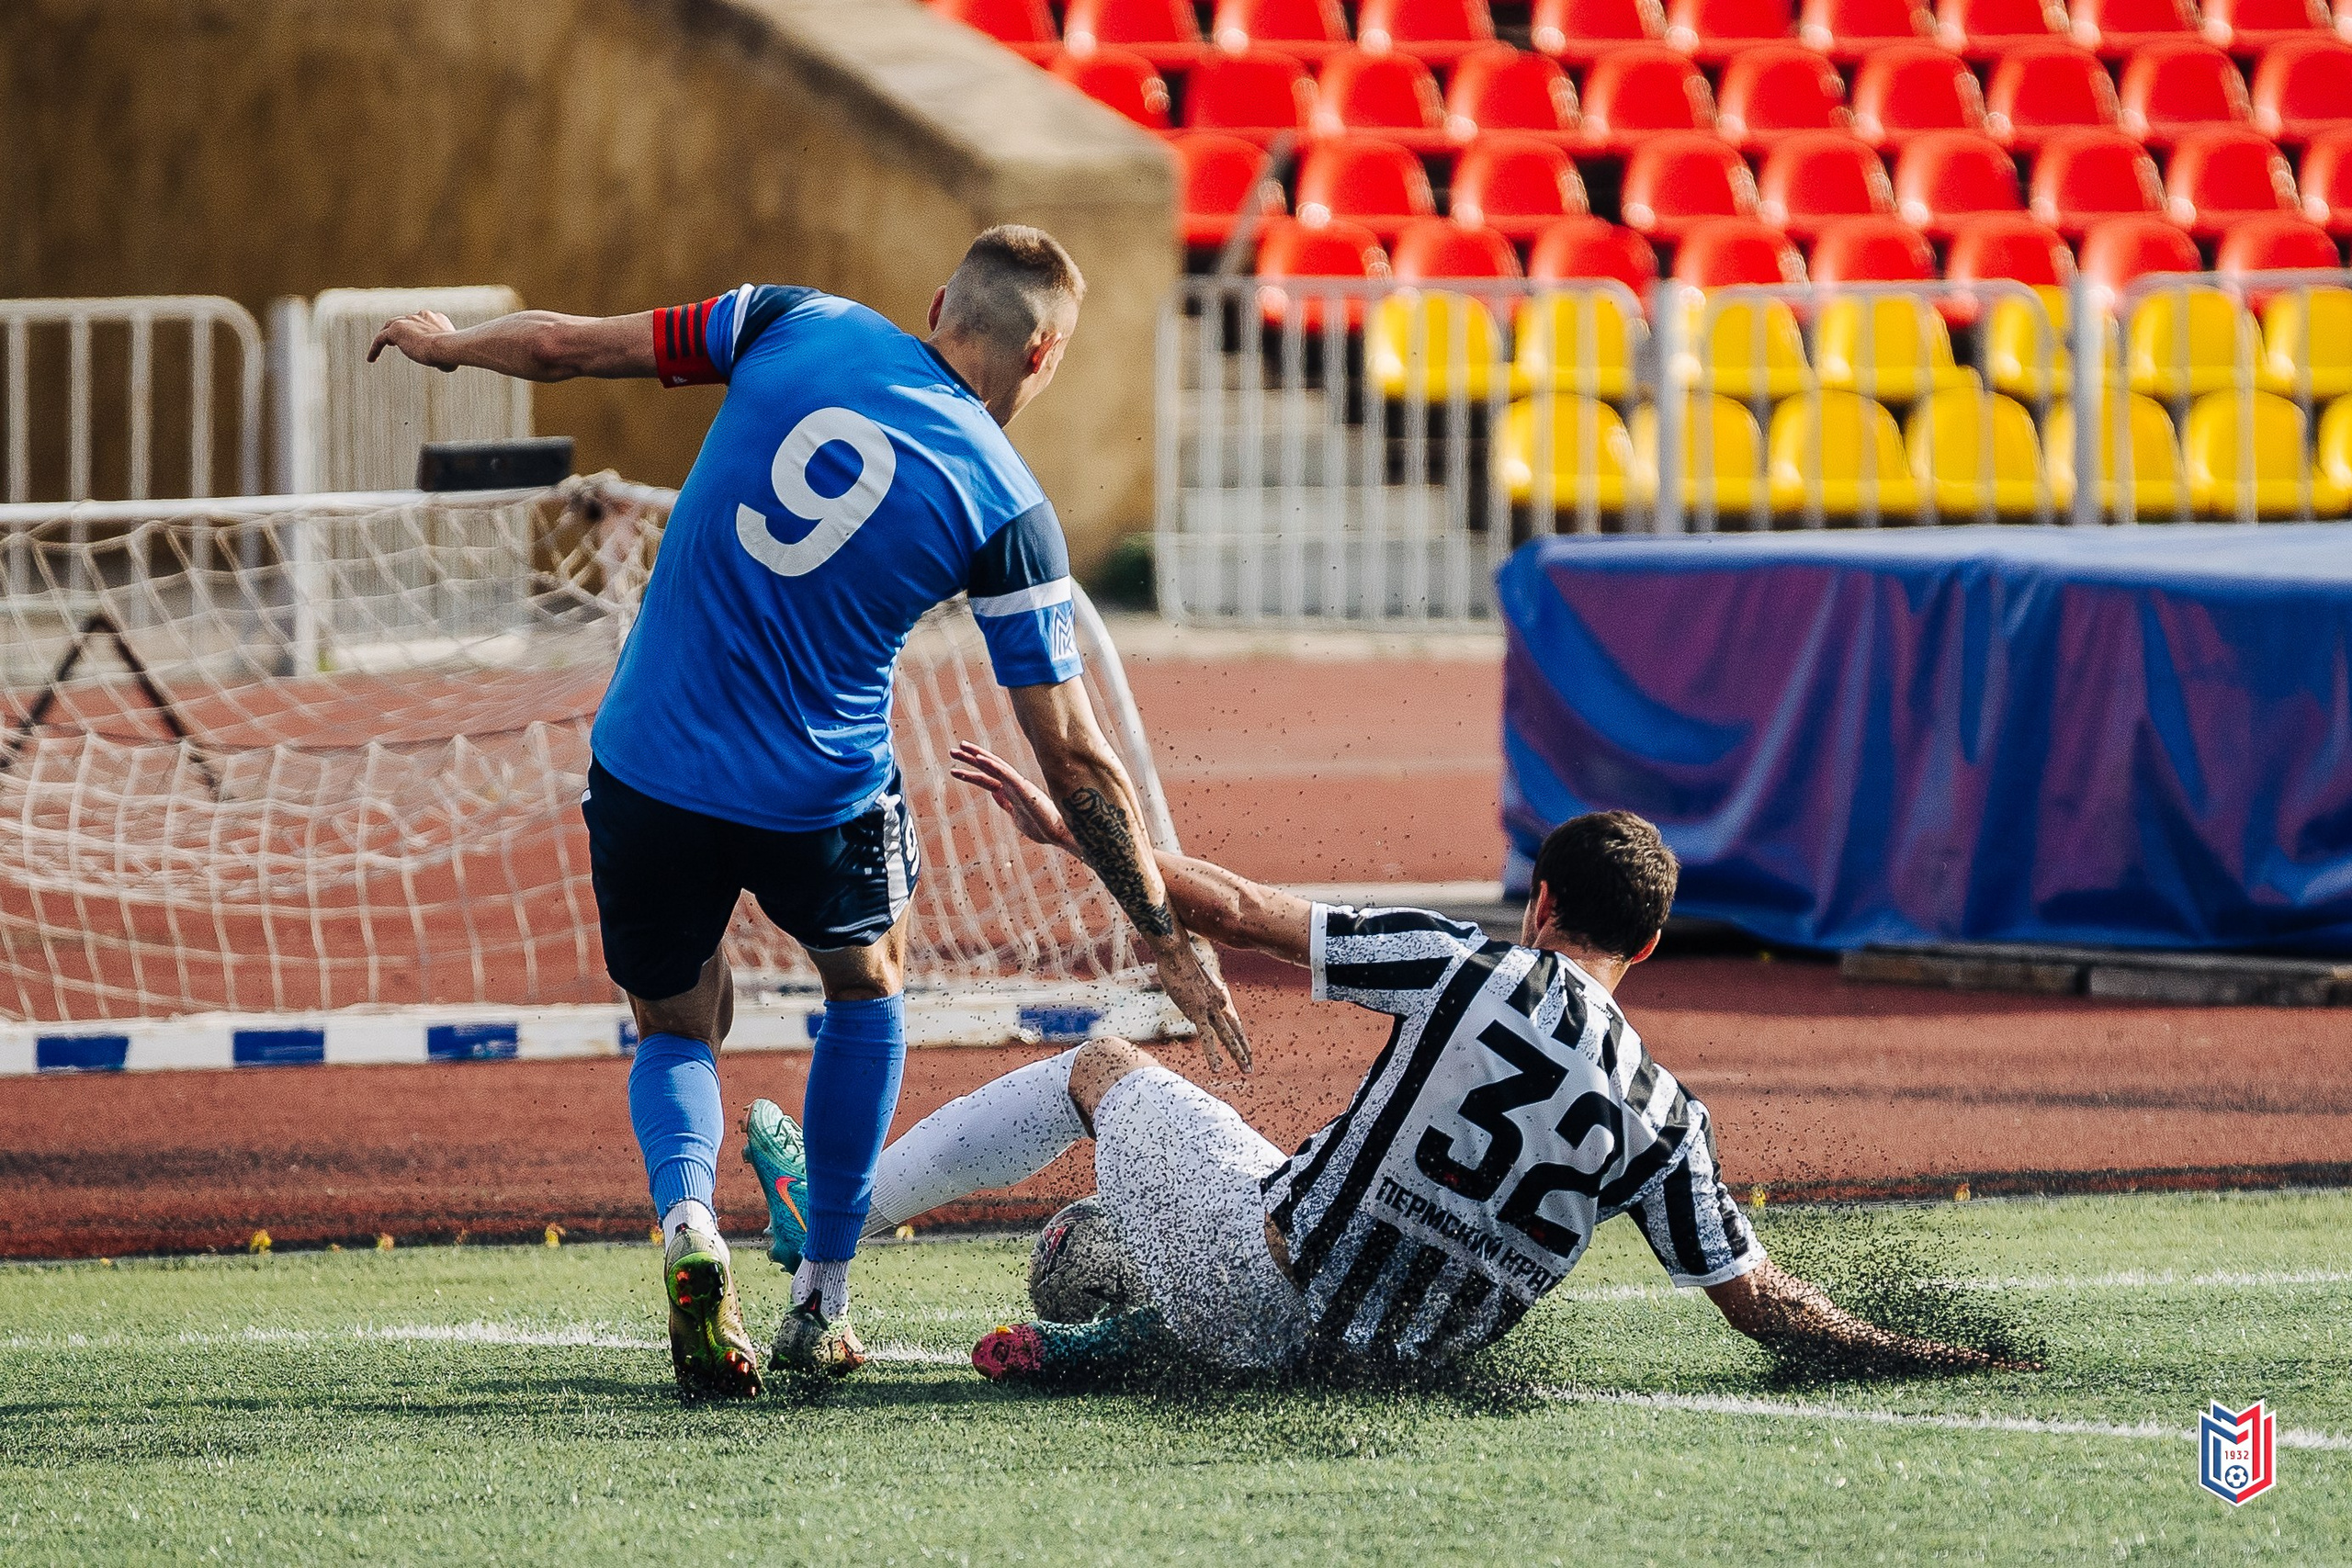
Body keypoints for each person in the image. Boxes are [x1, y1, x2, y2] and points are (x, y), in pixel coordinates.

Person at [368, 228, 1249, 1399]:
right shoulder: (1006, 503)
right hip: (813, 799)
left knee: (677, 1026)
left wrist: (450, 344)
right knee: (865, 989)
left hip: (647, 767)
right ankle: (821, 1302)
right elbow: (1077, 755)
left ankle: (689, 1228)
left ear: (940, 302)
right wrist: (1160, 930)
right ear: (1041, 356)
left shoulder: (791, 318)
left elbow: (570, 347)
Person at [741, 752, 2031, 1382]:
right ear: (1645, 944)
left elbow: (1239, 907)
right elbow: (1763, 1304)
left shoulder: (1469, 965)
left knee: (1101, 1063)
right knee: (1289, 1185)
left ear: (1541, 905)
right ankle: (1112, 1344)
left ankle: (831, 1223)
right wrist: (1919, 1349)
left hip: (1260, 1295)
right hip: (1391, 1363)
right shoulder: (1665, 1112)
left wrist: (1080, 834)